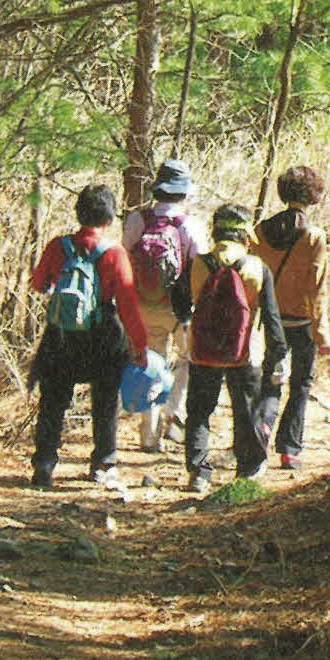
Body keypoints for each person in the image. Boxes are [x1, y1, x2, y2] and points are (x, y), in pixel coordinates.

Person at [28, 183, 148, 491]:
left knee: (52, 402)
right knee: (105, 401)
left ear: (79, 213)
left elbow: (38, 283)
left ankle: (44, 465)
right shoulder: (114, 254)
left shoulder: (57, 246)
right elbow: (128, 303)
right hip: (104, 337)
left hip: (60, 335)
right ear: (109, 217)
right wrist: (139, 344)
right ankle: (102, 464)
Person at [185, 203, 286, 496]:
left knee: (199, 411)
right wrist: (279, 352)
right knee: (245, 411)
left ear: (214, 231)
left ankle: (198, 472)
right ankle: (246, 470)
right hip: (245, 351)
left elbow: (180, 300)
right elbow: (271, 316)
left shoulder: (198, 264)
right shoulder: (257, 267)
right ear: (245, 235)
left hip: (202, 349)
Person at [253, 165, 330, 471]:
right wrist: (322, 334)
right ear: (313, 196)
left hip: (271, 320)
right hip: (302, 322)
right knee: (300, 384)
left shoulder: (260, 230)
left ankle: (261, 431)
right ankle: (289, 450)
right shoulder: (314, 236)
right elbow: (317, 289)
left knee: (270, 379)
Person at [123, 158, 203, 451]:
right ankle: (174, 415)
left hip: (144, 305)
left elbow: (124, 256)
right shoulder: (190, 225)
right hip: (180, 308)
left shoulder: (137, 220)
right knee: (189, 359)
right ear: (184, 192)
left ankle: (149, 434)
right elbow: (201, 267)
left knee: (151, 364)